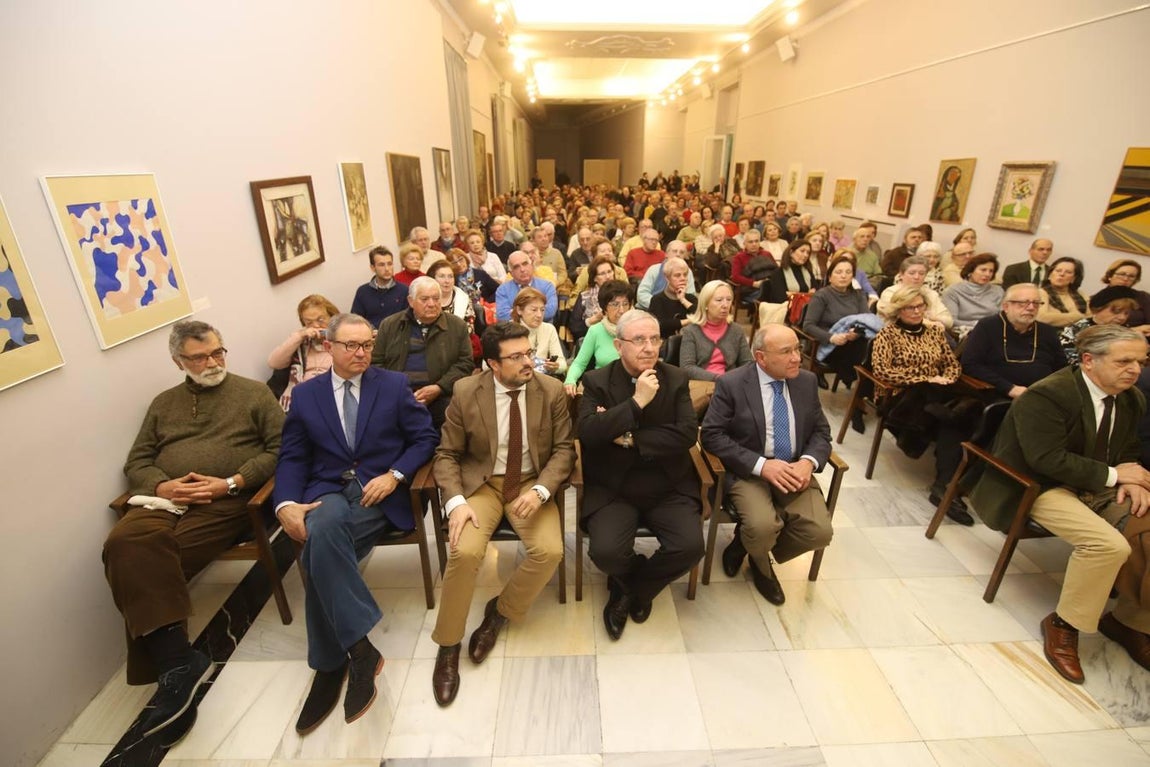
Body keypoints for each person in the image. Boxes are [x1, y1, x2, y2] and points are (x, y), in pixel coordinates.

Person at [104, 320, 284, 743]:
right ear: (178, 361)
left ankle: (174, 671)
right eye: (200, 357)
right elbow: (138, 461)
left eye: (218, 352)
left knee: (147, 563)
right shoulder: (163, 403)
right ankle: (180, 662)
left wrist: (232, 482)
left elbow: (282, 449)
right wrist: (161, 485)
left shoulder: (254, 393)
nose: (212, 362)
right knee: (120, 544)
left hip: (227, 500)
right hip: (165, 498)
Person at [274, 313, 439, 733]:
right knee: (323, 529)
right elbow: (293, 455)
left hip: (378, 494)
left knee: (318, 550)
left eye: (367, 344)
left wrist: (396, 475)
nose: (362, 352)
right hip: (327, 488)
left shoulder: (393, 385)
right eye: (352, 345)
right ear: (329, 348)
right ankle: (359, 649)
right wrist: (286, 504)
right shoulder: (307, 396)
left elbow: (425, 437)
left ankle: (329, 666)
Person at [969, 325, 1150, 682]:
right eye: (1124, 361)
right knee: (1106, 545)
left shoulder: (1131, 398)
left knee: (1146, 527)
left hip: (1097, 482)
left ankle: (1128, 621)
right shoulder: (1049, 395)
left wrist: (1137, 480)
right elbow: (1046, 460)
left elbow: (1128, 449)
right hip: (1042, 486)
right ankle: (1064, 624)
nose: (1134, 370)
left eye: (1141, 362)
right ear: (1088, 361)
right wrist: (1116, 475)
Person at [430, 323, 576, 706]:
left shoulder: (551, 390)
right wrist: (456, 502)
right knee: (464, 552)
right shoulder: (466, 391)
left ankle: (500, 612)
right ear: (492, 364)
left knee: (550, 551)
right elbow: (446, 454)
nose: (529, 361)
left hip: (529, 482)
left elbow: (564, 449)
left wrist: (543, 489)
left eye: (528, 353)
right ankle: (448, 646)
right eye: (517, 357)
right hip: (482, 484)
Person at [578, 309, 704, 639]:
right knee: (605, 552)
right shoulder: (596, 381)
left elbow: (686, 434)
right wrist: (636, 403)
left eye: (655, 339)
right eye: (639, 340)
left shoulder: (675, 378)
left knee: (690, 547)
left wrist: (628, 436)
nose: (649, 348)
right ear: (619, 345)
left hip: (667, 482)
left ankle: (632, 590)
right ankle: (629, 579)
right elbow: (589, 433)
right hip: (614, 486)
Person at [701, 323, 834, 604]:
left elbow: (821, 431)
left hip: (793, 468)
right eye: (787, 352)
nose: (797, 357)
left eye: (797, 349)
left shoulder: (805, 382)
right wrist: (761, 465)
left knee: (819, 533)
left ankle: (744, 544)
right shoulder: (733, 383)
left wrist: (808, 462)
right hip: (750, 471)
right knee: (762, 527)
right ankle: (762, 567)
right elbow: (712, 436)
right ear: (761, 357)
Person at [872, 286, 973, 523]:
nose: (917, 311)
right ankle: (946, 416)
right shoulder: (887, 334)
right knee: (945, 408)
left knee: (952, 422)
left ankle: (943, 487)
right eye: (910, 307)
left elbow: (952, 364)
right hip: (901, 395)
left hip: (935, 392)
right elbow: (883, 371)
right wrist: (923, 379)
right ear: (898, 310)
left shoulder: (934, 333)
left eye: (920, 306)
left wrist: (947, 377)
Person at [372, 276, 474, 428]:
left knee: (454, 419)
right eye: (424, 299)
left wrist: (439, 387)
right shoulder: (390, 325)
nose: (431, 304)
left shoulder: (456, 326)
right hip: (396, 395)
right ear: (411, 301)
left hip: (441, 396)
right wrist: (398, 391)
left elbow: (465, 363)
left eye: (436, 298)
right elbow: (376, 363)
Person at [961, 282, 1066, 399]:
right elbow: (970, 365)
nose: (1031, 308)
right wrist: (1008, 388)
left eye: (1036, 303)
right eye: (1023, 303)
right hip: (1000, 394)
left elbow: (1062, 368)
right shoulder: (987, 327)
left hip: (1044, 395)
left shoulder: (1047, 331)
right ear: (1006, 306)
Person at [802, 253, 873, 389]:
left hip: (852, 342)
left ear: (852, 276)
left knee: (870, 347)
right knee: (863, 353)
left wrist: (857, 332)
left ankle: (866, 392)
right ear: (830, 277)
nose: (844, 276)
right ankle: (858, 383)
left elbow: (866, 320)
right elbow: (808, 326)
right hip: (825, 343)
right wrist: (831, 337)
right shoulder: (822, 295)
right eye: (839, 272)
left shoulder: (858, 295)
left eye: (848, 272)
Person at [267, 294, 339, 410]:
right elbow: (273, 363)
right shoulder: (300, 341)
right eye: (309, 322)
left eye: (321, 320)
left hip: (329, 397)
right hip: (299, 398)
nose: (316, 326)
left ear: (332, 317)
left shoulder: (343, 340)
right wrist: (299, 336)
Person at [564, 280, 631, 395]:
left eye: (625, 304)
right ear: (604, 308)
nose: (621, 310)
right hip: (602, 388)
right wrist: (570, 380)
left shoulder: (638, 328)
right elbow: (579, 363)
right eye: (615, 304)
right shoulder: (596, 330)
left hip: (631, 386)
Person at [679, 280, 752, 381]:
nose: (725, 305)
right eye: (719, 300)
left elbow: (748, 363)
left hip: (731, 385)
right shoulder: (691, 331)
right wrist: (718, 378)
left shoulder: (736, 330)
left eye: (729, 300)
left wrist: (733, 381)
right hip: (702, 384)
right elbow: (687, 368)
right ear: (705, 304)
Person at [1062, 287, 1140, 364]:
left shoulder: (1126, 331)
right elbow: (1070, 361)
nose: (1122, 317)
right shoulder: (1076, 330)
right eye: (1117, 311)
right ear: (1098, 309)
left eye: (1126, 313)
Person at [877, 255, 953, 330]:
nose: (917, 277)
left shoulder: (931, 294)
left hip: (928, 335)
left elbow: (949, 322)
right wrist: (930, 323)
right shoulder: (890, 292)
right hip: (896, 334)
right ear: (901, 275)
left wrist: (933, 317)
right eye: (912, 273)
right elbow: (897, 317)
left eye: (921, 273)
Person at [942, 253, 1005, 337]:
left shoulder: (998, 291)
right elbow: (951, 321)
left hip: (994, 332)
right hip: (964, 333)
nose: (987, 274)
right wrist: (980, 325)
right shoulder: (953, 291)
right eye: (983, 270)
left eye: (991, 271)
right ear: (971, 271)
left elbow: (1003, 317)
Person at [511, 287, 567, 375]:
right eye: (534, 310)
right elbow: (487, 365)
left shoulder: (549, 329)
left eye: (542, 310)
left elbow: (563, 364)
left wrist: (556, 367)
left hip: (540, 380)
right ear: (519, 310)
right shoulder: (506, 331)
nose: (539, 315)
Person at [350, 246, 409, 330]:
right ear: (373, 268)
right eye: (381, 265)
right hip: (371, 337)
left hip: (396, 337)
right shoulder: (362, 292)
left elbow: (408, 321)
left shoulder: (404, 290)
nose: (387, 269)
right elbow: (355, 321)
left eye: (390, 264)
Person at [495, 249, 559, 323]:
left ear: (531, 265)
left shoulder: (547, 286)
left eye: (525, 264)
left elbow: (550, 312)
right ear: (511, 273)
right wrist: (536, 312)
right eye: (516, 267)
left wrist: (517, 312)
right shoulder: (503, 290)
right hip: (515, 331)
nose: (522, 269)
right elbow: (502, 316)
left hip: (542, 330)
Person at [646, 257, 698, 338]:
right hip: (666, 344)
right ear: (667, 278)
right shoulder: (658, 299)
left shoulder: (691, 298)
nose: (683, 278)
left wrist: (683, 300)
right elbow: (660, 325)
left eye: (685, 275)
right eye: (677, 275)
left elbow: (702, 315)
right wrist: (689, 321)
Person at [637, 240, 697, 309]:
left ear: (685, 256)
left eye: (682, 252)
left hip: (677, 309)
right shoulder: (654, 269)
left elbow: (691, 296)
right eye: (674, 251)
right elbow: (642, 294)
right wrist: (661, 306)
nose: (678, 254)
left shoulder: (688, 272)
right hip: (651, 308)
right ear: (666, 254)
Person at [1098, 258, 1150, 332]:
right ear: (1110, 276)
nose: (1125, 279)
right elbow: (1097, 331)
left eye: (1131, 276)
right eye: (1122, 274)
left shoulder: (1143, 297)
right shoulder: (1097, 299)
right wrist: (1132, 331)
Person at [1037, 256, 1088, 328]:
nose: (1062, 274)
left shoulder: (1081, 294)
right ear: (1050, 274)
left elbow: (1090, 319)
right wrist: (1079, 316)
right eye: (1058, 270)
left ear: (1074, 278)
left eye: (1068, 272)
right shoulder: (1040, 293)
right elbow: (1041, 318)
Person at [428, 258, 477, 334]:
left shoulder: (463, 298)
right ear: (433, 278)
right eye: (442, 276)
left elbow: (469, 329)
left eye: (450, 276)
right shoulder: (425, 299)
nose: (447, 281)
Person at [729, 228, 778, 298]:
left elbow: (776, 271)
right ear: (744, 243)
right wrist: (753, 283)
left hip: (770, 285)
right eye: (750, 242)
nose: (754, 244)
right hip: (750, 289)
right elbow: (735, 277)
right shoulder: (739, 257)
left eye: (756, 241)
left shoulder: (767, 254)